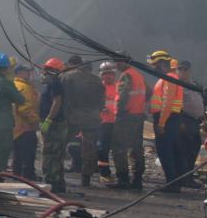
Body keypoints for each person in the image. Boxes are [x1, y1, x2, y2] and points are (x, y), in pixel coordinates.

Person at [149, 51, 200, 191]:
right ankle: (174, 182)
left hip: (167, 118)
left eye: (155, 65)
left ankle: (172, 184)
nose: (154, 68)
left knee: (165, 151)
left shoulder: (169, 78)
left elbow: (168, 102)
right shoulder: (170, 78)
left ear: (161, 64)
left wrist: (161, 123)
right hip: (170, 119)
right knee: (173, 150)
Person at [104, 59, 150, 189]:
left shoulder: (126, 75)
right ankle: (137, 180)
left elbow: (123, 95)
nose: (116, 65)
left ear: (124, 62)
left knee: (119, 148)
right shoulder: (138, 75)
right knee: (136, 149)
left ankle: (123, 179)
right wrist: (139, 104)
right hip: (138, 116)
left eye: (117, 62)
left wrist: (119, 112)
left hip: (126, 117)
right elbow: (149, 91)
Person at [60, 54, 103, 185]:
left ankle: (57, 175)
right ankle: (86, 179)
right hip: (91, 118)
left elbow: (61, 97)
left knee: (61, 145)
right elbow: (102, 102)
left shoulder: (66, 76)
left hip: (71, 117)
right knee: (89, 148)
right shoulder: (96, 80)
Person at [37, 57, 70, 192]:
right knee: (57, 154)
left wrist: (49, 119)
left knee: (50, 154)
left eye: (46, 69)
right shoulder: (52, 83)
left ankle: (50, 184)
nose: (43, 72)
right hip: (56, 124)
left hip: (54, 125)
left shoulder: (54, 83)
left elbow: (57, 102)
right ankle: (58, 184)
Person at [10, 60, 41, 178]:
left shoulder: (13, 85)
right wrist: (36, 121)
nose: (30, 74)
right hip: (25, 126)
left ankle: (16, 174)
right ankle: (28, 175)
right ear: (19, 73)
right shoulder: (24, 87)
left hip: (16, 127)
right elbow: (25, 108)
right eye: (27, 72)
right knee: (28, 153)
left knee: (18, 153)